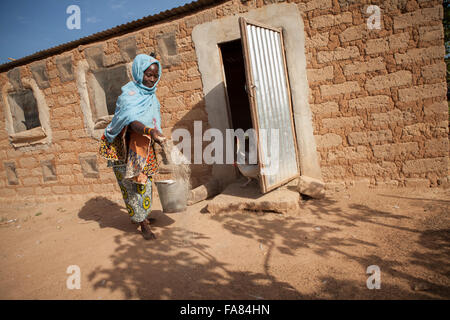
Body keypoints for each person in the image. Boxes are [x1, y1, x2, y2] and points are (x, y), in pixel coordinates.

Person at [98, 53, 166, 240]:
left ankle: (142, 215)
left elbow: (153, 119)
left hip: (143, 145)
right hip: (125, 148)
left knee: (146, 183)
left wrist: (154, 134)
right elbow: (130, 120)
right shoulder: (129, 95)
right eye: (148, 75)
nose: (152, 79)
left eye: (155, 75)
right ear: (138, 73)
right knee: (132, 186)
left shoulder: (151, 97)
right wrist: (150, 131)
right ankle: (142, 223)